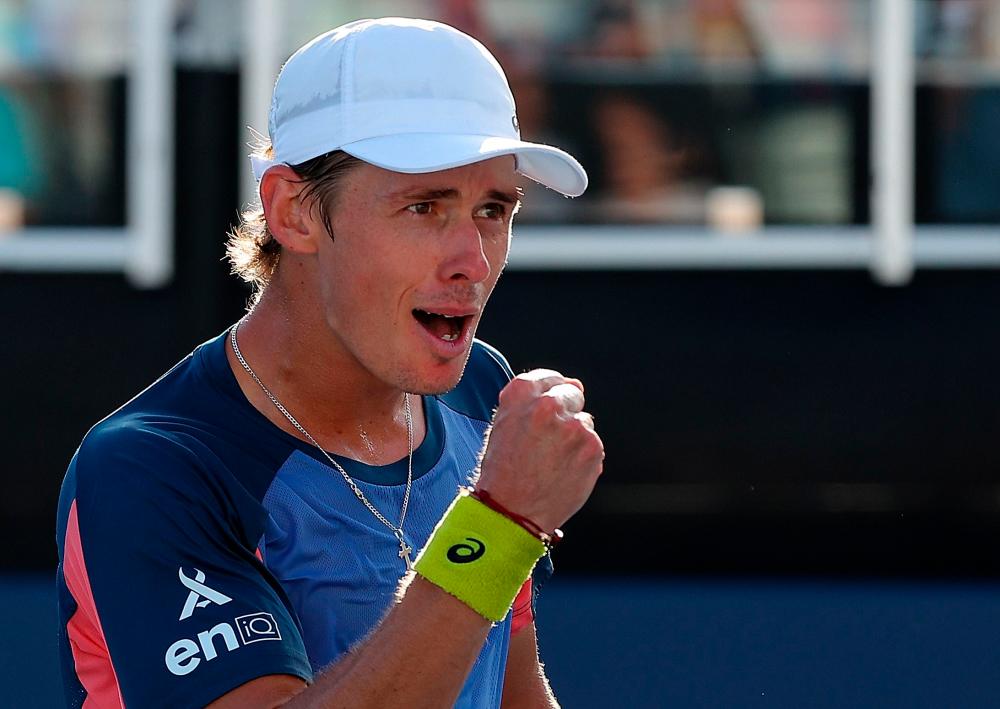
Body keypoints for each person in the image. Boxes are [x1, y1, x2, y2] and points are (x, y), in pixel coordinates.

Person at [55, 17, 603, 709]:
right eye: (425, 206)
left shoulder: (482, 390)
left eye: (494, 208)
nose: (473, 259)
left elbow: (512, 691)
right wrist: (497, 523)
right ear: (293, 212)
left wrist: (498, 529)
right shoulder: (150, 468)